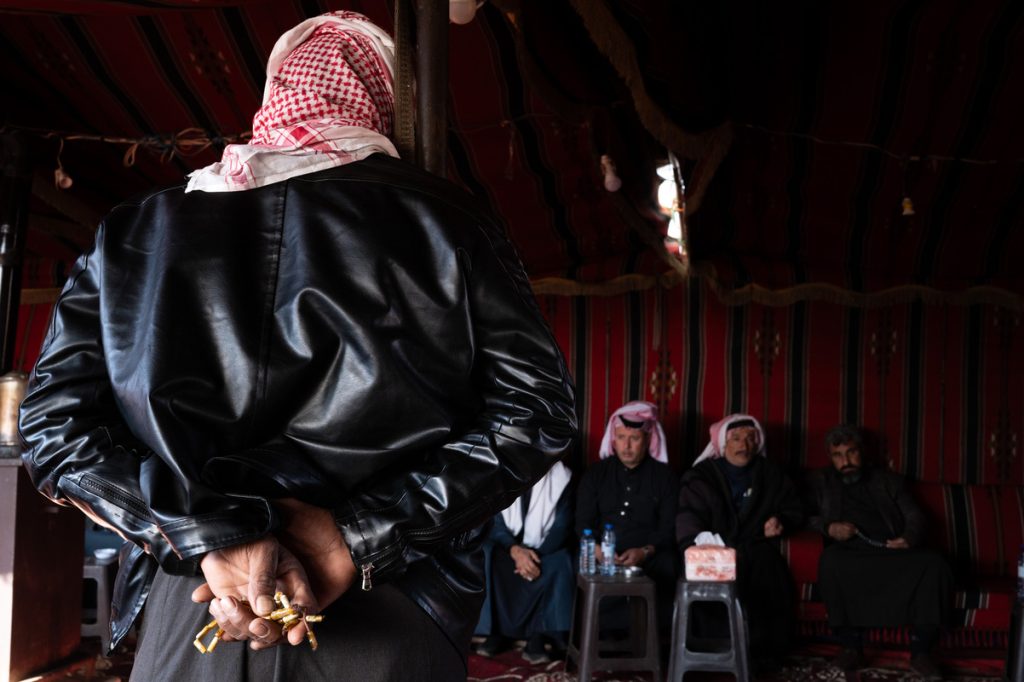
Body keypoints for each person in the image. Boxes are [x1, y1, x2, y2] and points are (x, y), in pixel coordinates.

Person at [18, 11, 577, 682]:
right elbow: (537, 411)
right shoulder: (450, 221)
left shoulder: (136, 231)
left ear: (275, 91)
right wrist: (359, 538)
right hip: (392, 610)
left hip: (199, 607)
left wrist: (209, 541)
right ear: (381, 106)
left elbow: (52, 427)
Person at [806, 425, 952, 680]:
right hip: (849, 553)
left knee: (934, 564)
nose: (846, 461)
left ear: (862, 452)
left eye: (851, 453)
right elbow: (805, 517)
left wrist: (908, 538)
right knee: (830, 562)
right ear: (831, 458)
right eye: (838, 455)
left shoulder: (887, 480)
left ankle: (921, 652)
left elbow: (915, 516)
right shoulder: (821, 482)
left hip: (890, 550)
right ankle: (851, 647)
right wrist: (829, 527)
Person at [676, 414, 803, 668]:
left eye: (750, 438)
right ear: (723, 444)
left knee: (768, 571)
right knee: (706, 573)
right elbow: (689, 516)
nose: (744, 445)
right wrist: (701, 543)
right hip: (714, 548)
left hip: (755, 547)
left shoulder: (770, 473)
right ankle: (712, 648)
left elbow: (795, 508)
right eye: (736, 439)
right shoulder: (701, 476)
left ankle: (764, 654)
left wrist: (781, 521)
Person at [574, 401, 680, 627]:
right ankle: (598, 638)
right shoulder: (596, 474)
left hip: (648, 555)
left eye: (635, 438)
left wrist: (644, 551)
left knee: (668, 564)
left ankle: (652, 642)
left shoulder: (665, 478)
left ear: (649, 439)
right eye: (621, 438)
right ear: (613, 438)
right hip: (601, 553)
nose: (627, 446)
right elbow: (583, 520)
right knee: (576, 564)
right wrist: (597, 549)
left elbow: (668, 527)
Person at [474, 460, 574, 664]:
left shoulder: (563, 477)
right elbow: (493, 519)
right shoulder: (500, 470)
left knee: (561, 561)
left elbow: (562, 526)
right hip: (509, 548)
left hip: (544, 551)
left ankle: (540, 635)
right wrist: (515, 550)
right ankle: (497, 633)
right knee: (487, 553)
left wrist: (532, 557)